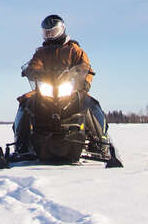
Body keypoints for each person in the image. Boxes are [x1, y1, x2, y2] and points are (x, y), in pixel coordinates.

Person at [13, 14, 109, 154]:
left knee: (89, 103)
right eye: (47, 32)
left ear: (61, 29)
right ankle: (20, 142)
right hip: (46, 89)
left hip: (70, 88)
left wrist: (85, 82)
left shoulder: (73, 50)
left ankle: (100, 140)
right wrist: (31, 71)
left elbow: (86, 67)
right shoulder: (41, 52)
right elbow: (34, 66)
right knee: (26, 102)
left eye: (53, 31)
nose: (50, 35)